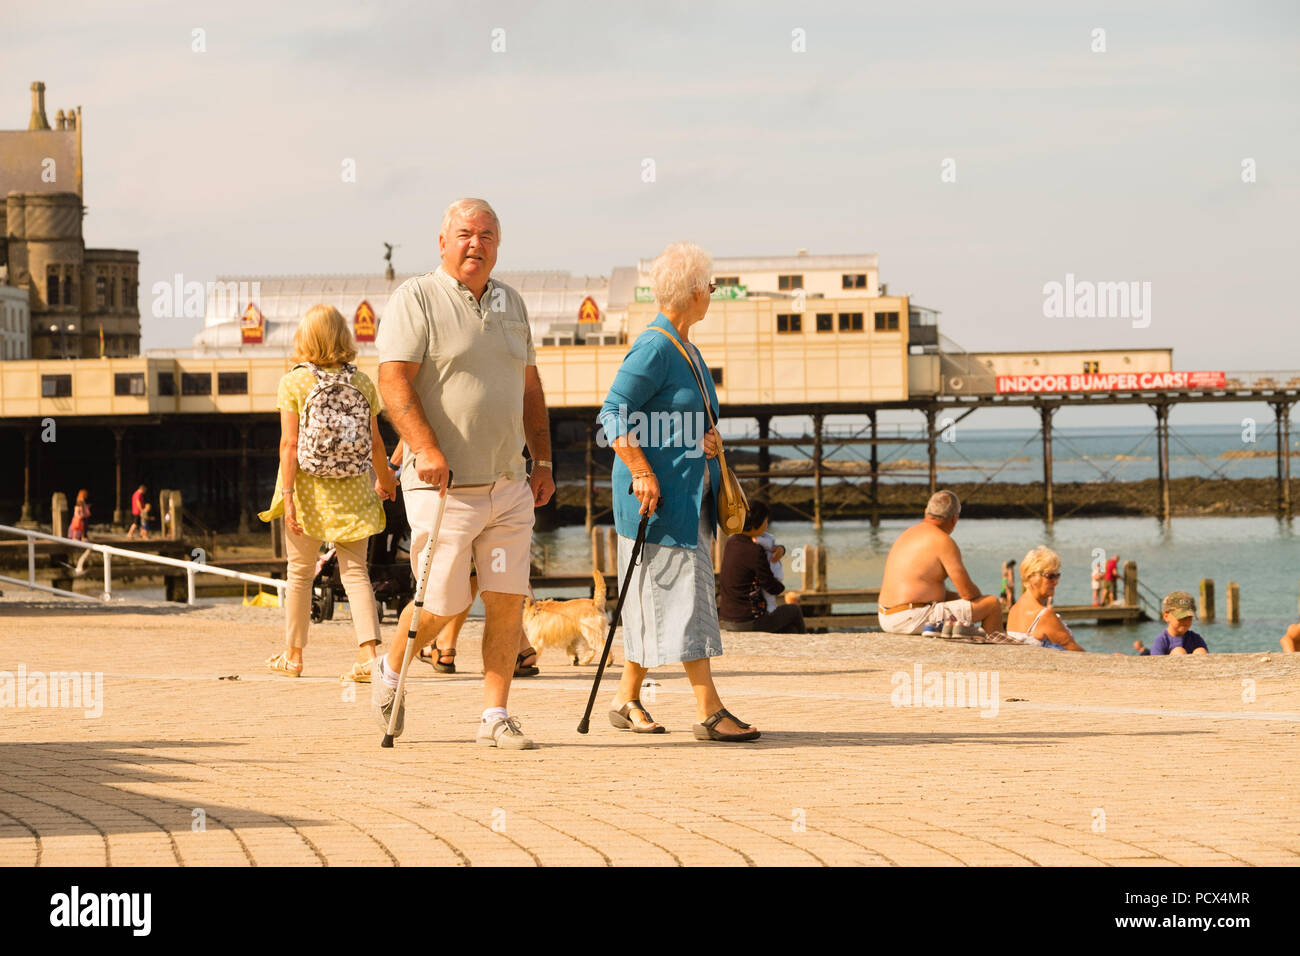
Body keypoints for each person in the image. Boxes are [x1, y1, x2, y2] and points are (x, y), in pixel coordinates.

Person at [373, 198, 555, 750]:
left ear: (499, 244)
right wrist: (424, 448)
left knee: (504, 599)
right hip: (442, 487)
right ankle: (389, 668)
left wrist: (542, 461)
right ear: (443, 241)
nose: (476, 243)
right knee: (443, 605)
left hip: (507, 486)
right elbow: (392, 383)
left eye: (487, 235)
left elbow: (530, 389)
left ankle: (494, 716)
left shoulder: (512, 304)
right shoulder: (417, 298)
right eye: (465, 234)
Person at [597, 240, 758, 742]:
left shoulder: (686, 347)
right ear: (692, 292)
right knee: (686, 602)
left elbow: (680, 418)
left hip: (689, 499)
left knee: (654, 601)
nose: (712, 294)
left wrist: (704, 440)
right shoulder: (655, 347)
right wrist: (643, 470)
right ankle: (710, 710)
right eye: (709, 286)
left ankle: (626, 699)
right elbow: (612, 412)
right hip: (657, 503)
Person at [257, 304, 396, 680]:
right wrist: (384, 480)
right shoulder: (363, 383)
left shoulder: (294, 382)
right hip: (353, 494)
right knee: (356, 575)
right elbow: (377, 444)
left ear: (305, 338)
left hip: (306, 493)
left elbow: (289, 445)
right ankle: (369, 656)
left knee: (300, 575)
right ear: (343, 337)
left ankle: (294, 656)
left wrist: (287, 498)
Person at [876, 490, 1002, 636]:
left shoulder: (907, 534)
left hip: (886, 616)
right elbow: (967, 593)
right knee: (991, 604)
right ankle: (997, 653)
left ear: (926, 512)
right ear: (954, 519)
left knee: (954, 598)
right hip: (911, 618)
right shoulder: (943, 541)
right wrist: (980, 599)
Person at [719, 500, 806, 634]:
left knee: (791, 630)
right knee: (794, 610)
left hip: (727, 618)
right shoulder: (754, 550)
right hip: (748, 620)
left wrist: (781, 549)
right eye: (765, 520)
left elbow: (770, 546)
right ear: (755, 524)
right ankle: (806, 647)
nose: (766, 524)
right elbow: (770, 585)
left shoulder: (733, 542)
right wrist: (782, 588)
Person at [1005, 546, 1087, 651]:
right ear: (1032, 577)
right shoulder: (1044, 616)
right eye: (1050, 576)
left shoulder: (1014, 609)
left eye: (1057, 576)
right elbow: (1077, 653)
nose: (1056, 582)